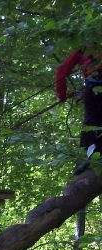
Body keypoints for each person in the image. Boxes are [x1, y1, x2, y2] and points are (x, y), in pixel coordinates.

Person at [56, 44, 102, 174]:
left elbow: (62, 70)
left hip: (93, 89)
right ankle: (90, 155)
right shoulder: (83, 48)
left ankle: (85, 156)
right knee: (93, 121)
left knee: (91, 121)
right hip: (93, 87)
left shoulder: (83, 48)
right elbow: (63, 70)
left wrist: (61, 95)